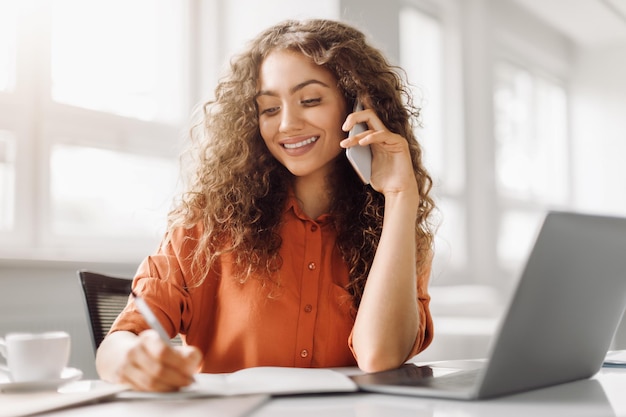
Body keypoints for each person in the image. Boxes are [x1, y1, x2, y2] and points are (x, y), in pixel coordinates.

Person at [96, 18, 437, 392]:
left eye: (310, 100)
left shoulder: (396, 235)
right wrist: (131, 359)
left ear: (356, 106)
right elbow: (117, 345)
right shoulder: (209, 226)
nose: (288, 124)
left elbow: (379, 358)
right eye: (270, 109)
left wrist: (401, 195)